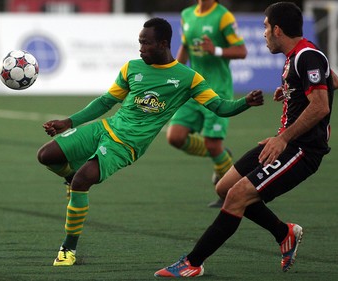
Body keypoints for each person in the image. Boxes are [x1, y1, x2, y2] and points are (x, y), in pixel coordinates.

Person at [37, 17, 264, 266]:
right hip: (106, 127)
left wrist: (246, 102)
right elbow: (105, 102)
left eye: (146, 43)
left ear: (163, 44)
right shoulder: (131, 68)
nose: (141, 48)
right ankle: (70, 177)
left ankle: (68, 249)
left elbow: (219, 106)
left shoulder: (188, 78)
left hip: (127, 145)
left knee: (83, 181)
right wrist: (69, 122)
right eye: (139, 43)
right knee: (46, 156)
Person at [155, 2, 336, 277]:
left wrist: (283, 138)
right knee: (225, 188)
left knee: (237, 196)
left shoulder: (307, 56)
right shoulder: (299, 57)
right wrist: (292, 90)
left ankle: (192, 262)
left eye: (265, 27)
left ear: (277, 29)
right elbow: (331, 80)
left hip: (302, 149)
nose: (263, 33)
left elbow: (321, 106)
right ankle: (284, 233)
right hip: (286, 142)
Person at [167, 0, 247, 208]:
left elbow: (241, 51)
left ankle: (234, 192)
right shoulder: (187, 14)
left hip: (216, 91)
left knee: (212, 144)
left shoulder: (223, 16)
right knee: (175, 137)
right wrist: (174, 74)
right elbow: (185, 48)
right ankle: (221, 155)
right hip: (193, 87)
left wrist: (216, 50)